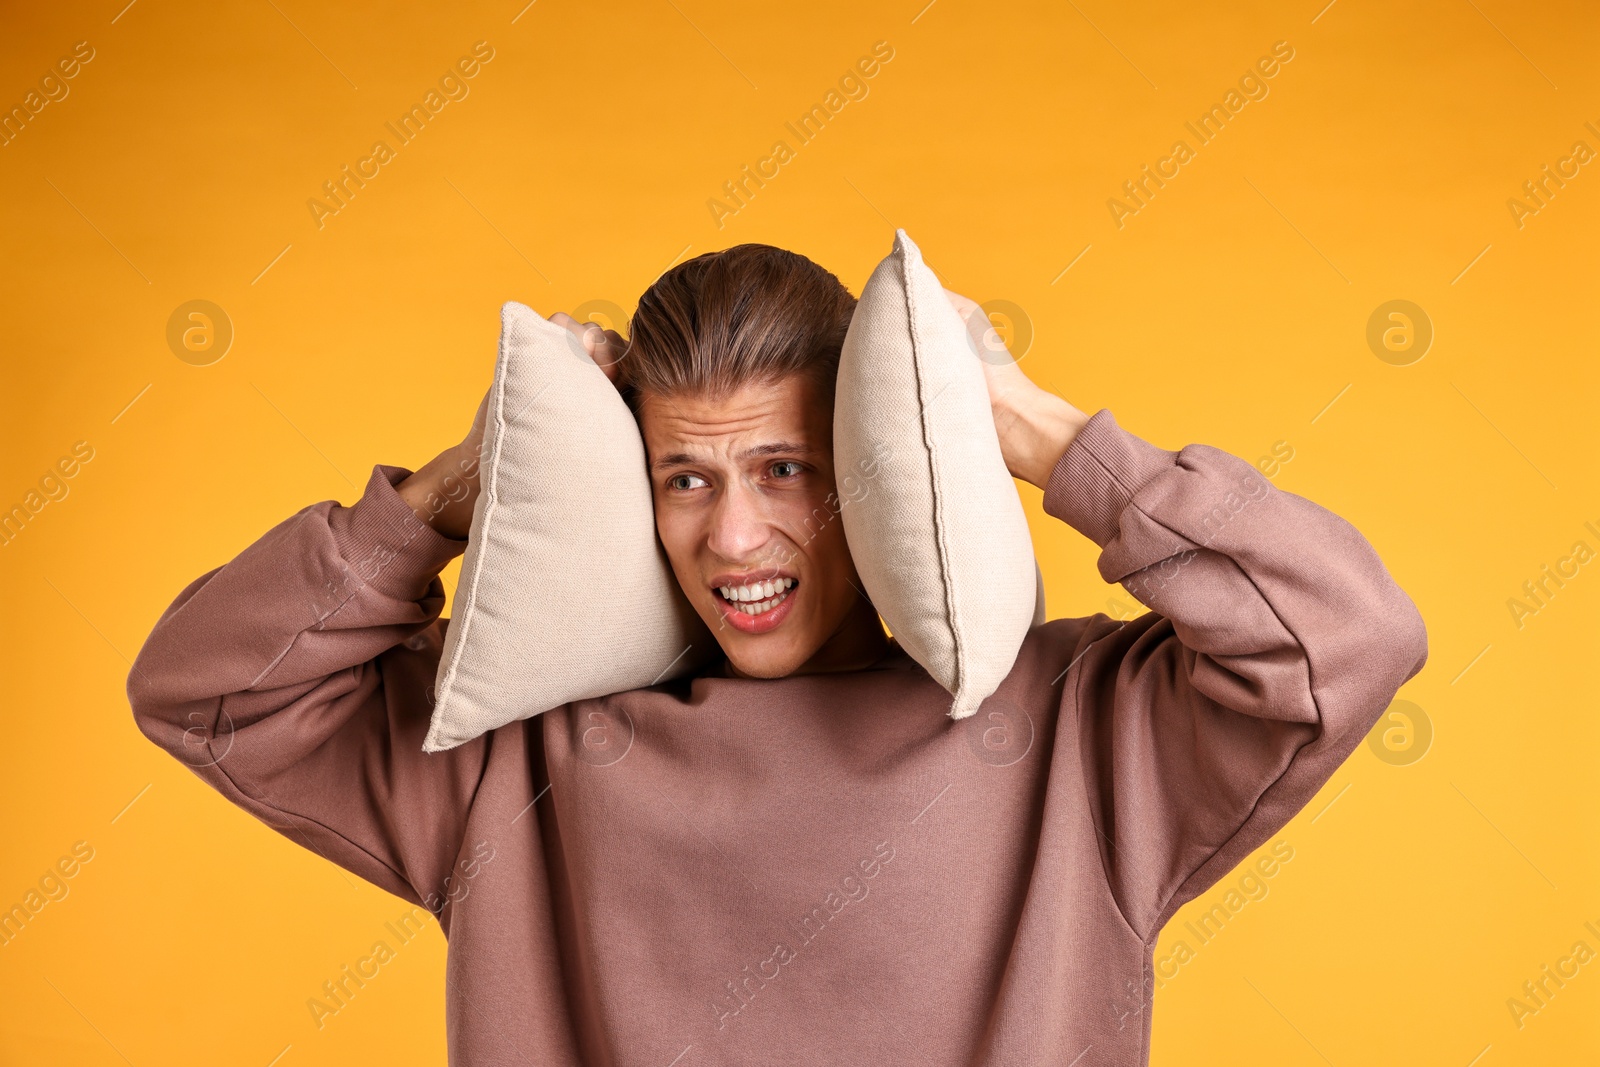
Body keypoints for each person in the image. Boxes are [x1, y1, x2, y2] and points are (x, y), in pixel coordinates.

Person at [129, 244, 1427, 1066]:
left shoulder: (1084, 731)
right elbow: (211, 689)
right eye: (681, 477)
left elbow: (1341, 635)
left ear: (870, 469)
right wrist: (456, 491)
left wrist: (1032, 429)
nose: (733, 535)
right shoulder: (509, 757)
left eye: (785, 469)